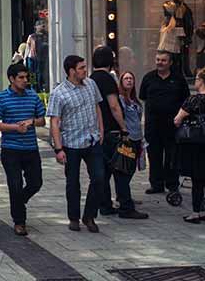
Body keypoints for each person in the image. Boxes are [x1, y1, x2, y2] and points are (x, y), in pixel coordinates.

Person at [47, 55, 105, 233]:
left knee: (99, 178)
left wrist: (101, 130)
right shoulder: (59, 93)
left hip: (92, 140)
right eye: (81, 68)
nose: (84, 70)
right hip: (71, 143)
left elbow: (97, 107)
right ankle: (74, 217)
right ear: (71, 71)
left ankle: (89, 215)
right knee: (73, 183)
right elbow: (54, 122)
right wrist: (58, 149)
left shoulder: (91, 85)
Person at [90, 46, 148, 219]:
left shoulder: (91, 79)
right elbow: (114, 106)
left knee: (106, 170)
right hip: (113, 131)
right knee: (122, 169)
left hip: (99, 130)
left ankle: (105, 204)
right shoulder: (107, 79)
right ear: (110, 61)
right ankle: (125, 206)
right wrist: (124, 128)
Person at [0, 63, 46, 236]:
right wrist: (15, 127)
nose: (24, 80)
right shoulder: (2, 98)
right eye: (20, 77)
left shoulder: (33, 96)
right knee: (15, 184)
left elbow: (42, 120)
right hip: (11, 148)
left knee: (36, 182)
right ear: (12, 79)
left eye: (26, 77)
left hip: (30, 147)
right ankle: (19, 221)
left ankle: (19, 202)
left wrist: (31, 122)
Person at [174, 66, 205, 223]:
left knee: (197, 179)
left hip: (196, 145)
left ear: (202, 81)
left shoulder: (194, 100)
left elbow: (177, 119)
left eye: (196, 79)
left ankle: (195, 213)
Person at [139, 50, 189, 195]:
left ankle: (172, 184)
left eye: (163, 60)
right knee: (154, 156)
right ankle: (156, 184)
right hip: (153, 126)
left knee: (172, 156)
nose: (159, 63)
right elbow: (143, 97)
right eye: (158, 60)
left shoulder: (178, 79)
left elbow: (185, 100)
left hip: (173, 126)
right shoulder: (149, 78)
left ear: (170, 63)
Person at [118, 71, 145, 194]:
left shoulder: (134, 100)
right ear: (121, 82)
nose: (129, 81)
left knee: (133, 167)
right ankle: (123, 195)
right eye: (126, 78)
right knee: (126, 168)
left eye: (131, 79)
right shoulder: (121, 99)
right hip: (127, 138)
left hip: (137, 137)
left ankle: (125, 194)